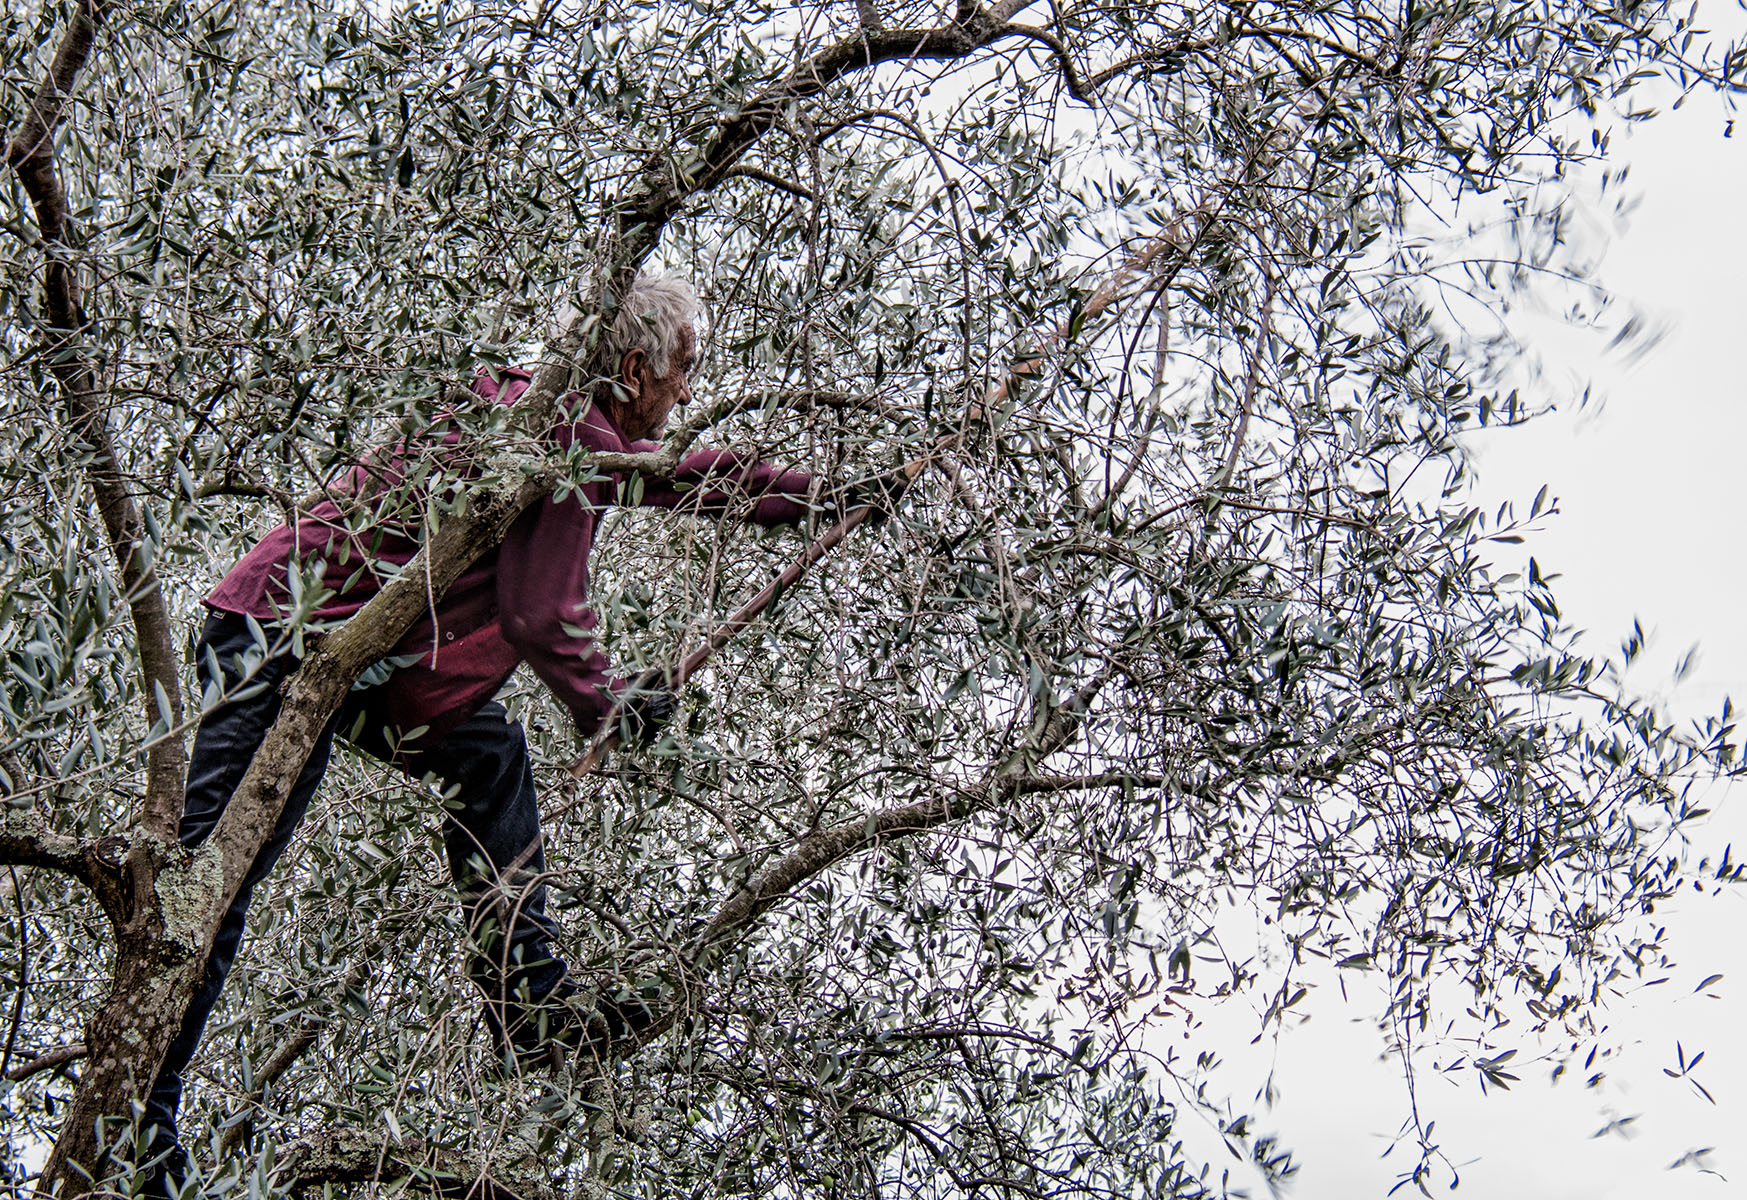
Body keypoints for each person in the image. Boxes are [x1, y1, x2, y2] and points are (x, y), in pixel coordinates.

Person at [140, 274, 820, 1189]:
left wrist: (816, 496)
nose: (688, 393)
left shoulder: (542, 411)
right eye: (682, 371)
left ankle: (526, 995)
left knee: (488, 754)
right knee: (205, 885)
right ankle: (143, 1132)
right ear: (630, 368)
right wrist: (608, 708)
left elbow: (686, 479)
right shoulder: (565, 434)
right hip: (280, 638)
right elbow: (541, 615)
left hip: (356, 661)